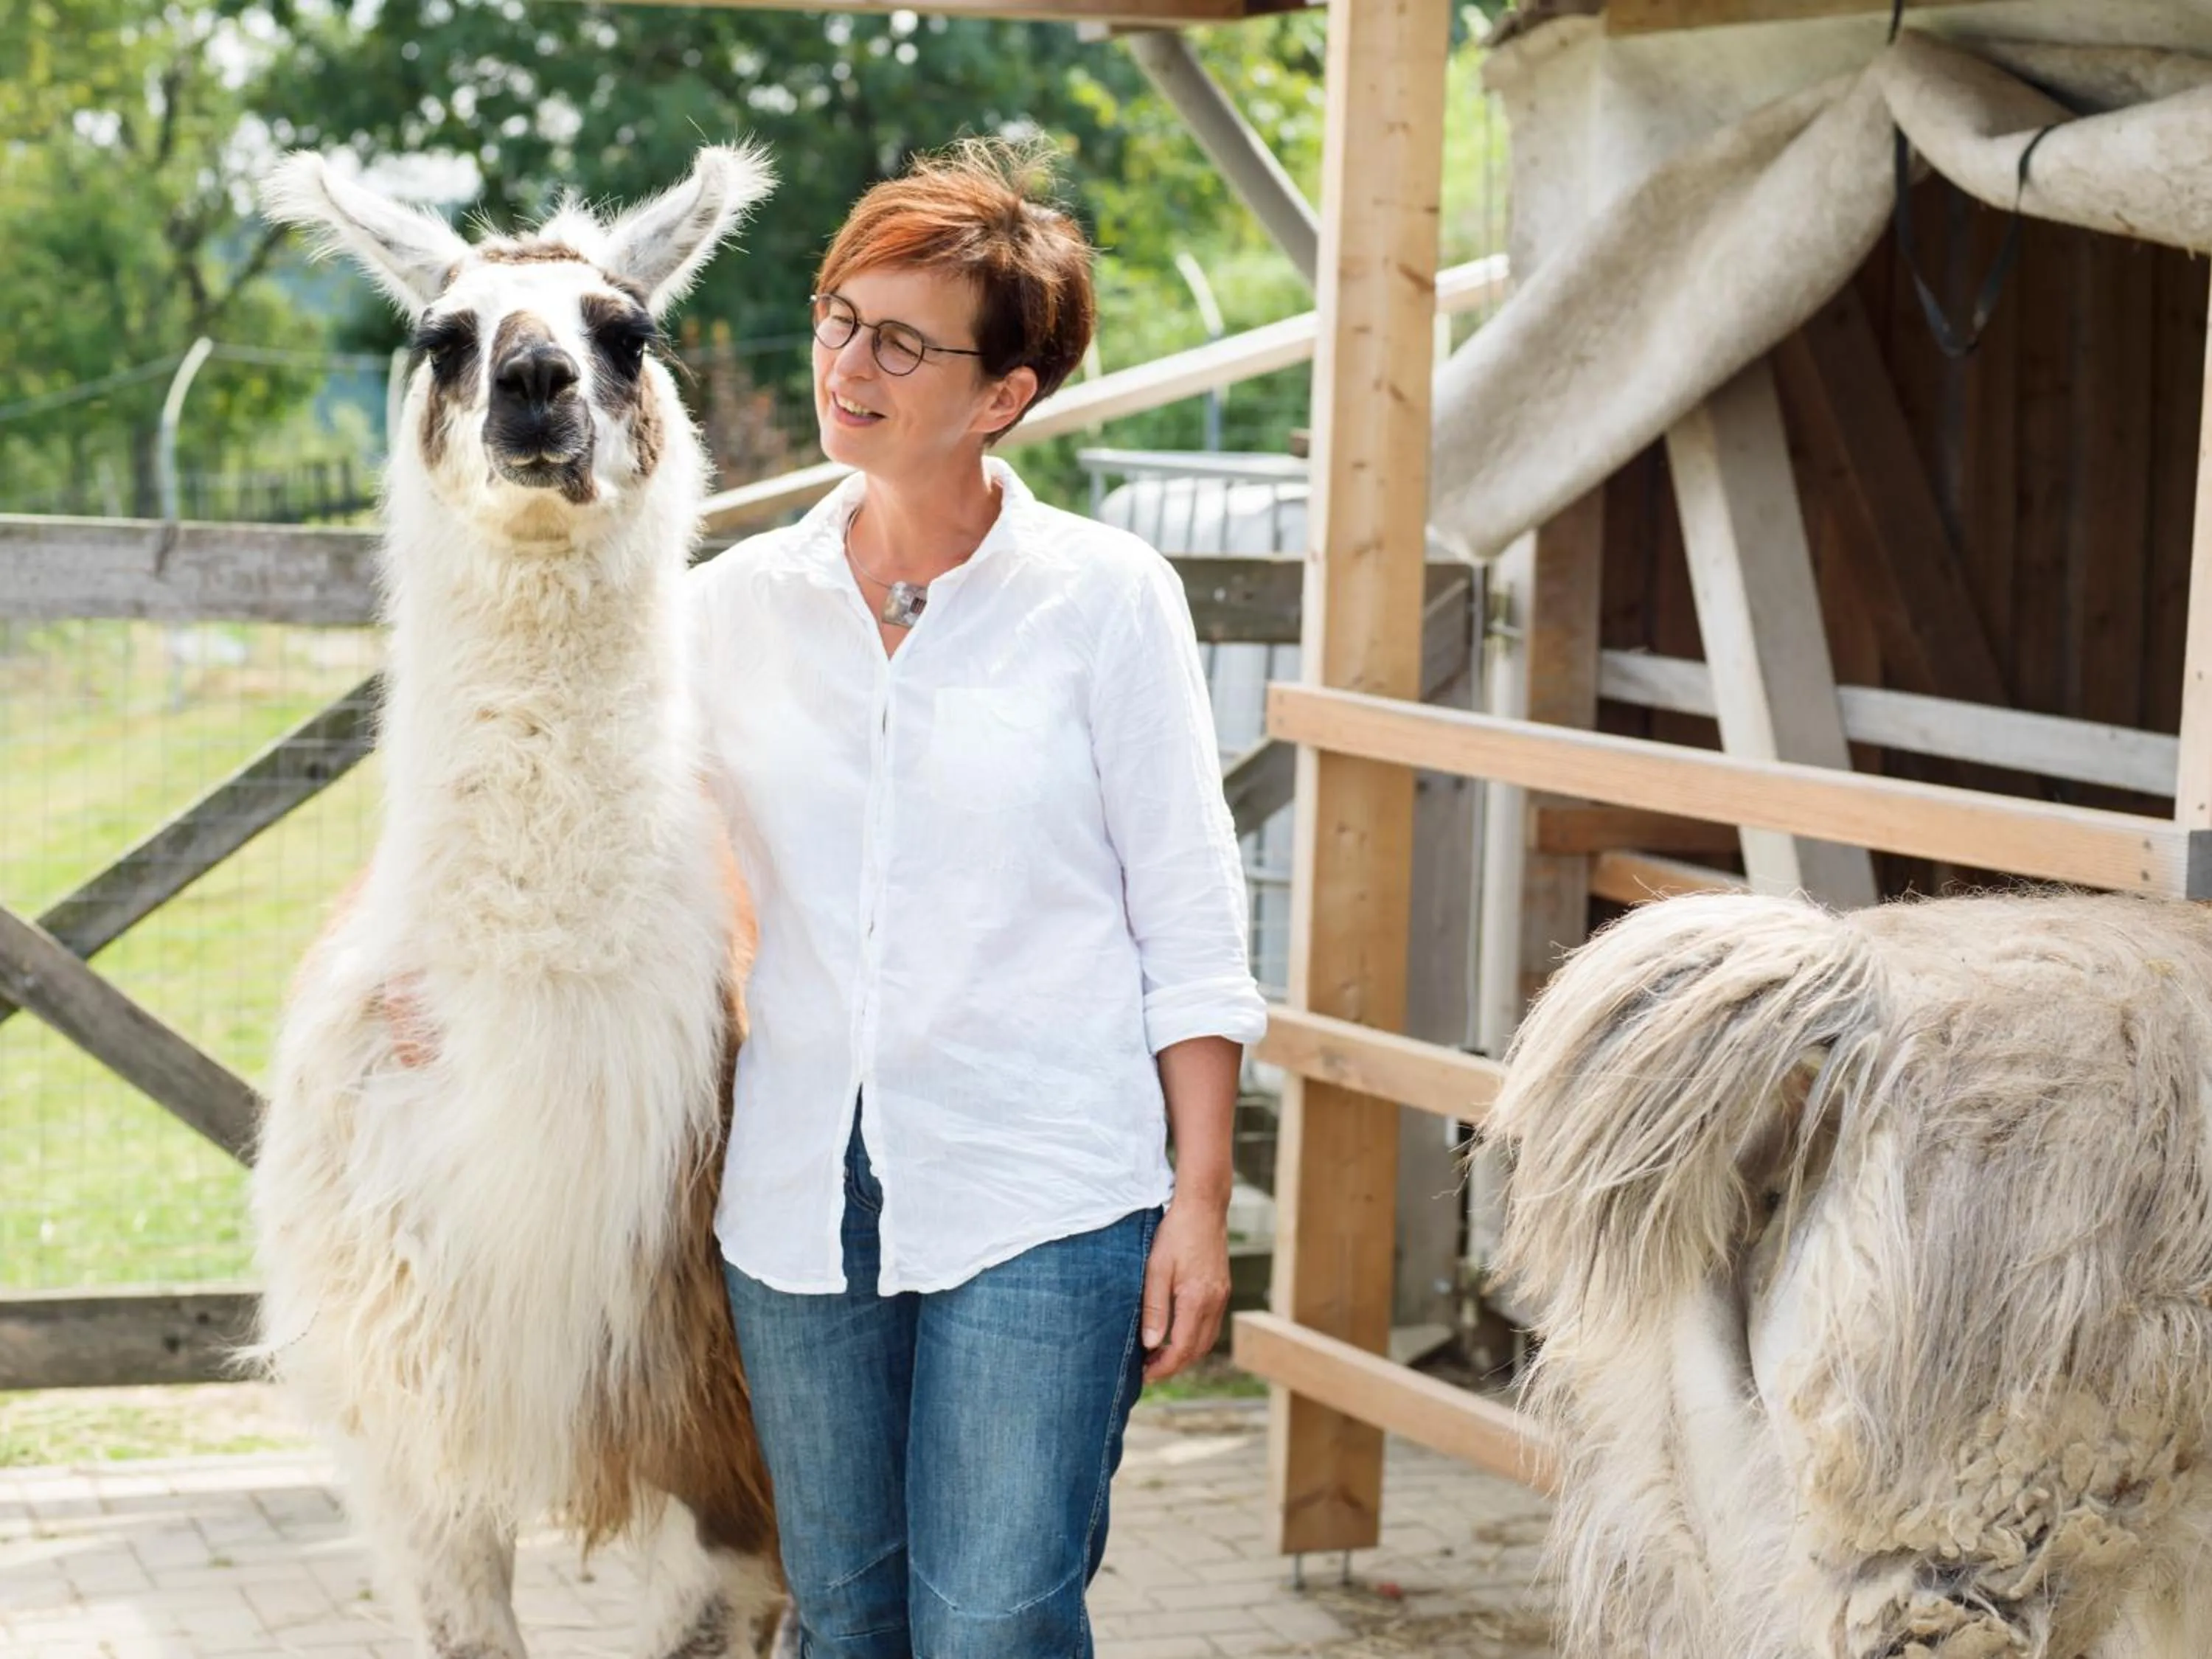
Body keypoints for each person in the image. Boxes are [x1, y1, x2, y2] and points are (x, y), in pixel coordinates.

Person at [689, 137, 1268, 1659]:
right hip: (802, 1200)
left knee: (991, 1626)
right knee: (850, 1623)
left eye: (900, 339)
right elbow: (591, 830)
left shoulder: (1106, 598)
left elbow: (1191, 916)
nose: (848, 362)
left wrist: (1196, 1203)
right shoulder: (727, 611)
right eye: (836, 317)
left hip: (1049, 1190)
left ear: (1005, 395)